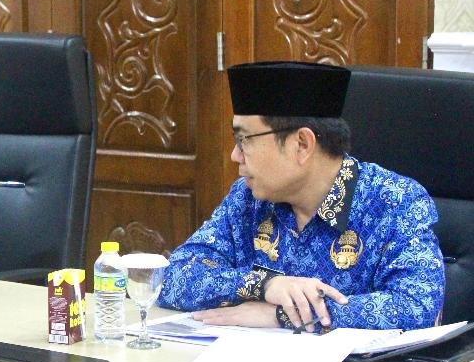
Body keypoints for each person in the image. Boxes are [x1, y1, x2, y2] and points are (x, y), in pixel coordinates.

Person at [158, 61, 444, 331]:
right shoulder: (249, 199)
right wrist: (264, 285)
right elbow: (174, 277)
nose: (235, 155)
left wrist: (282, 314)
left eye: (244, 140)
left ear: (302, 144)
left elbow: (418, 307)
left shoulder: (395, 201)